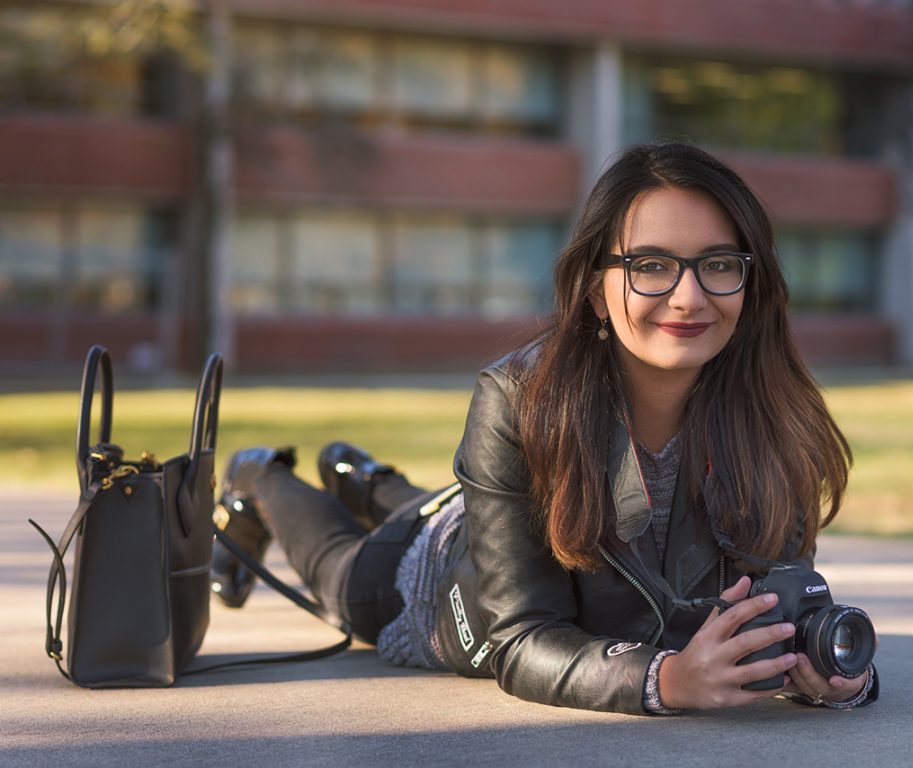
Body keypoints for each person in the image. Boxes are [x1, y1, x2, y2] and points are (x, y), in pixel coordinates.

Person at [210, 141, 878, 714]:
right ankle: (261, 474)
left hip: (499, 520)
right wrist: (665, 680)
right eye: (650, 266)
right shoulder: (516, 399)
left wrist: (828, 674)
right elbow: (522, 636)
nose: (688, 296)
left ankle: (364, 477)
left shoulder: (775, 416)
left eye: (718, 264)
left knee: (432, 504)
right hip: (447, 580)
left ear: (747, 282)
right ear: (594, 291)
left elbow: (786, 603)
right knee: (340, 576)